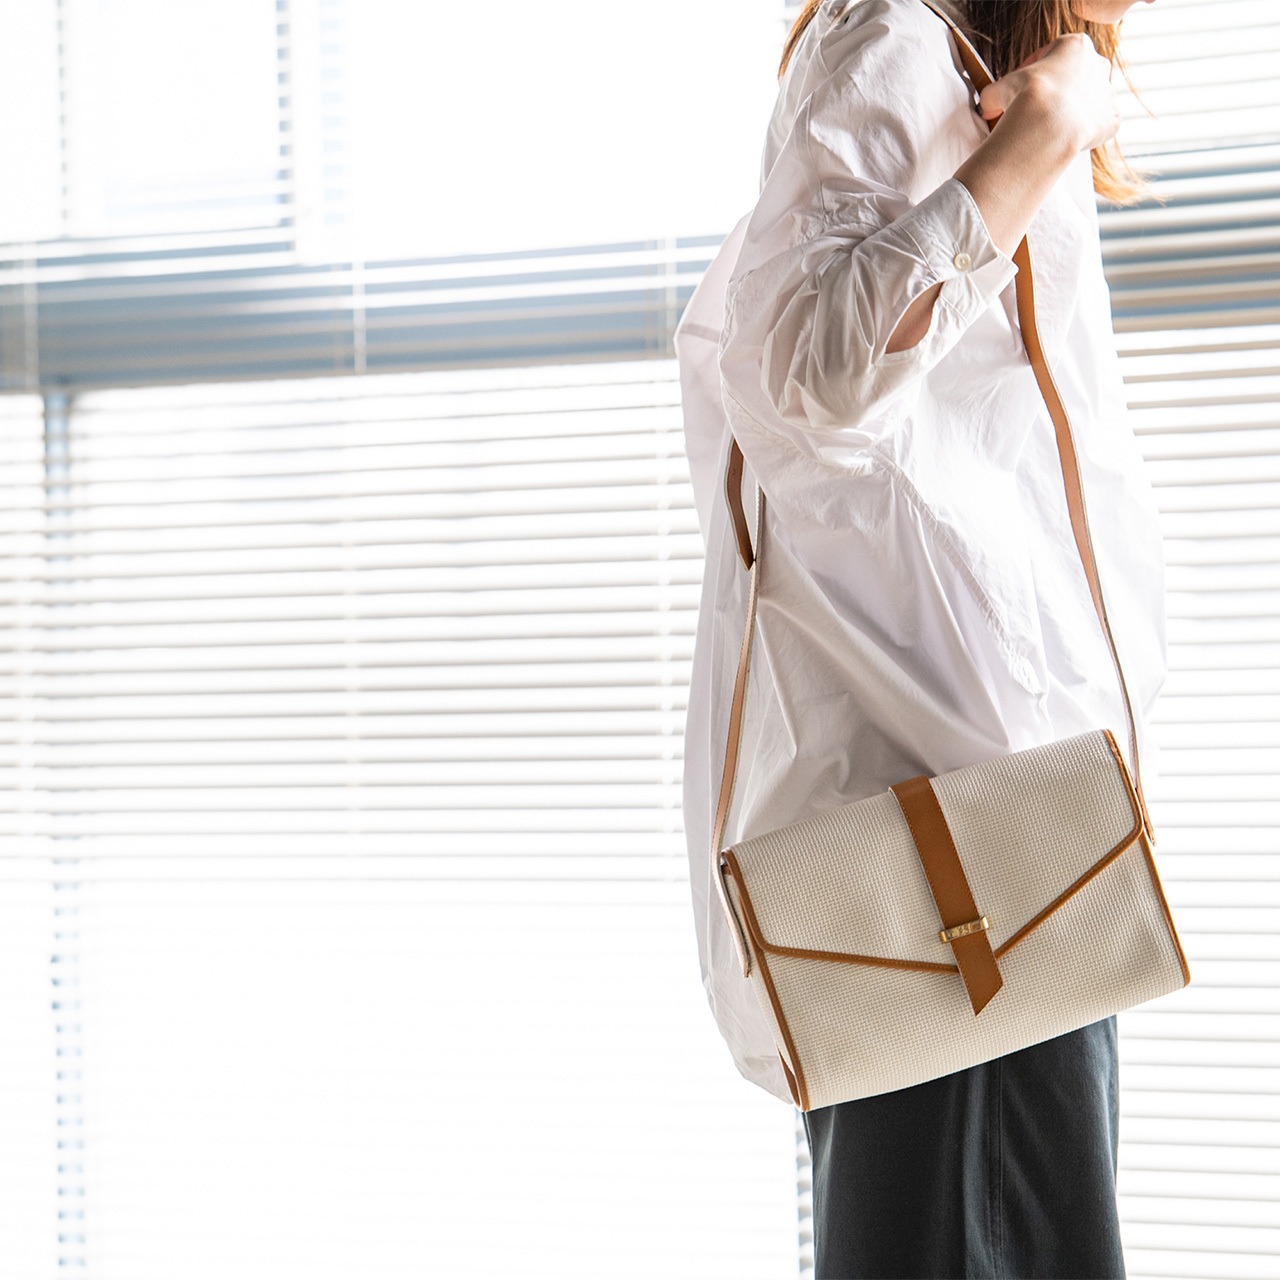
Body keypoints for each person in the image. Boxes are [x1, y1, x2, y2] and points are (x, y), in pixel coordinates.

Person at [675, 0, 1167, 1275]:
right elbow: (804, 374)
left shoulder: (975, 69)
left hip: (1016, 836)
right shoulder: (896, 39)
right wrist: (1037, 135)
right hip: (954, 858)